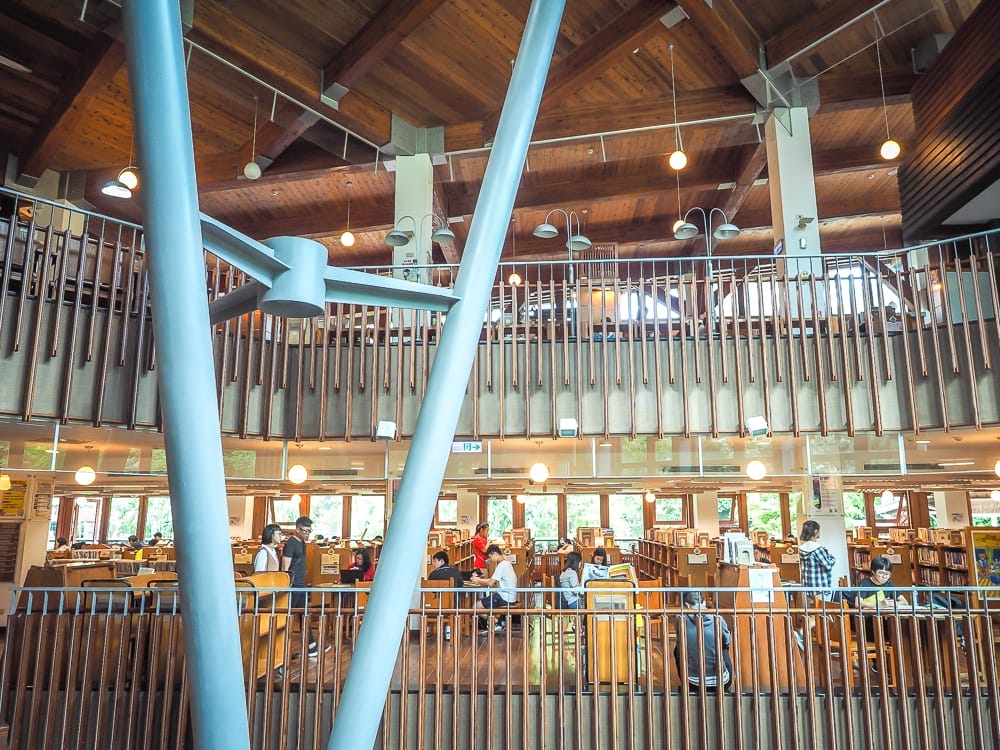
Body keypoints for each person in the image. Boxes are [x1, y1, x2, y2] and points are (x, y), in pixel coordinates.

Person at [282, 516, 327, 658]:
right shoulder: (291, 544)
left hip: (301, 584)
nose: (307, 534)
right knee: (287, 617)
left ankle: (311, 647)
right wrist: (287, 586)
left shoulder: (302, 543)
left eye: (309, 531)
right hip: (294, 585)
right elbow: (285, 568)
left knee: (305, 615)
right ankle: (281, 650)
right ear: (297, 529)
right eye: (305, 531)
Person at [674, 591, 732, 691]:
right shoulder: (718, 618)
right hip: (722, 682)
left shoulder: (680, 618)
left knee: (678, 649)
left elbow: (680, 640)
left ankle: (684, 680)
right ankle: (723, 674)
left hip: (692, 683)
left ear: (686, 605)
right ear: (704, 603)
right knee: (724, 647)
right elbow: (727, 641)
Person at [857, 556, 908, 642]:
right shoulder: (865, 583)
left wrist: (893, 603)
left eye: (887, 574)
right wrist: (878, 605)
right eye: (881, 573)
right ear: (873, 571)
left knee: (901, 630)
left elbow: (904, 601)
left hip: (884, 619)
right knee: (893, 633)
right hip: (868, 621)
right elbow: (858, 603)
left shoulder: (889, 584)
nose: (884, 577)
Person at [468, 545, 518, 634]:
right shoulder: (507, 563)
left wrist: (478, 580)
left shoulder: (501, 566)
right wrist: (481, 581)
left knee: (476, 607)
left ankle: (496, 623)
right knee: (488, 604)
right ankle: (499, 622)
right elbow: (493, 580)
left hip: (504, 597)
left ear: (495, 554)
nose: (490, 559)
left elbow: (491, 582)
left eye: (490, 557)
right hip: (510, 596)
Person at [799, 520, 836, 600]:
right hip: (820, 588)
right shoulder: (818, 549)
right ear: (815, 531)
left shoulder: (801, 548)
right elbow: (828, 565)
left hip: (808, 588)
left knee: (811, 611)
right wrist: (832, 558)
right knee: (823, 611)